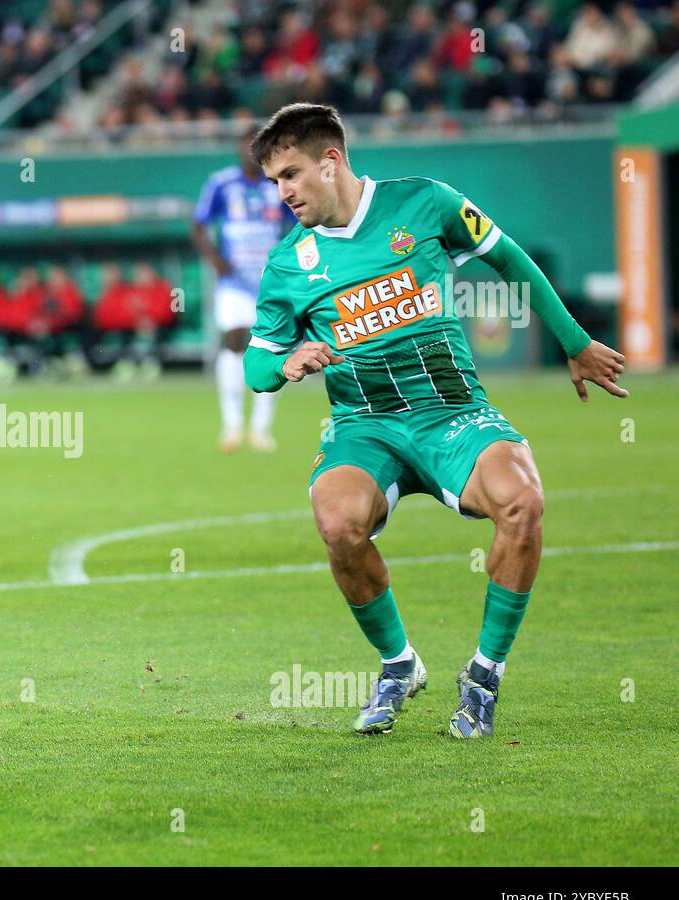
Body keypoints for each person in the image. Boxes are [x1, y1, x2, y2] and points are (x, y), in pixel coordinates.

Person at [244, 103, 627, 738]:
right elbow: (255, 368)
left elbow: (510, 260)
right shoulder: (289, 264)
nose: (282, 192)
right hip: (365, 422)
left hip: (453, 411)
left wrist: (574, 341)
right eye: (274, 181)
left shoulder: (426, 203)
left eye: (290, 175)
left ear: (330, 162)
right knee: (338, 523)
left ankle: (483, 675)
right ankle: (398, 665)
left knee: (523, 504)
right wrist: (287, 362)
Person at [192, 127, 294, 453]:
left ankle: (262, 429)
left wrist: (288, 264)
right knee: (234, 339)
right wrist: (215, 260)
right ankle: (232, 425)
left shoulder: (279, 184)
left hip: (270, 280)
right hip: (234, 280)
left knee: (271, 347)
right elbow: (198, 226)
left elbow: (298, 225)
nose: (249, 150)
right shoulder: (221, 183)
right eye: (245, 144)